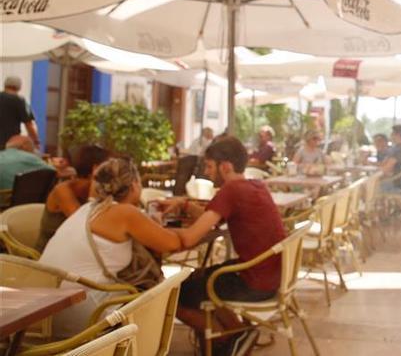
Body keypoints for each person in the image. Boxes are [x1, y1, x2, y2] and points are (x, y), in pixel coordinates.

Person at [159, 135, 285, 355]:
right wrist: (184, 204)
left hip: (252, 283)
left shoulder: (231, 191)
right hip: (269, 276)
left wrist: (154, 229)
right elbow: (212, 217)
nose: (206, 172)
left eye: (209, 166)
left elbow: (190, 238)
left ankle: (230, 338)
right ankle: (240, 333)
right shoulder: (255, 186)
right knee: (200, 278)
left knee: (174, 295)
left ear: (225, 167)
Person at [40, 158, 181, 337]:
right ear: (135, 184)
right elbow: (173, 244)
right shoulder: (123, 212)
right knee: (152, 295)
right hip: (80, 317)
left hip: (42, 313)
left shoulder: (89, 209)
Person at [35, 145, 110, 252]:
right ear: (96, 169)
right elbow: (83, 226)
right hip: (49, 256)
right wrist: (94, 187)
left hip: (75, 250)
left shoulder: (101, 190)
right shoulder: (62, 191)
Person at [0, 75, 39, 149]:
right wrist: (36, 141)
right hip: (10, 143)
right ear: (19, 87)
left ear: (5, 85)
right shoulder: (20, 101)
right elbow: (29, 124)